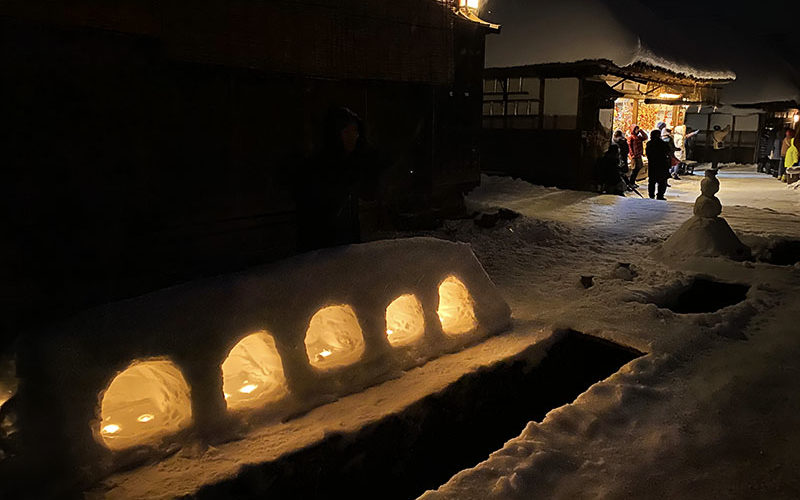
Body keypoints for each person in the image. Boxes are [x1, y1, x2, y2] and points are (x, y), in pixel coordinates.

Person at [295, 107, 372, 251]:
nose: (353, 136)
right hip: (324, 252)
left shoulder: (351, 165)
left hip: (346, 250)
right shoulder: (320, 168)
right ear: (335, 134)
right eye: (346, 131)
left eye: (355, 131)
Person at [646, 128, 671, 200]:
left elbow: (648, 154)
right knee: (662, 181)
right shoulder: (663, 143)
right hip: (662, 164)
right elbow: (668, 151)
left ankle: (651, 195)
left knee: (652, 181)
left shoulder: (649, 144)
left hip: (652, 164)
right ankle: (660, 195)